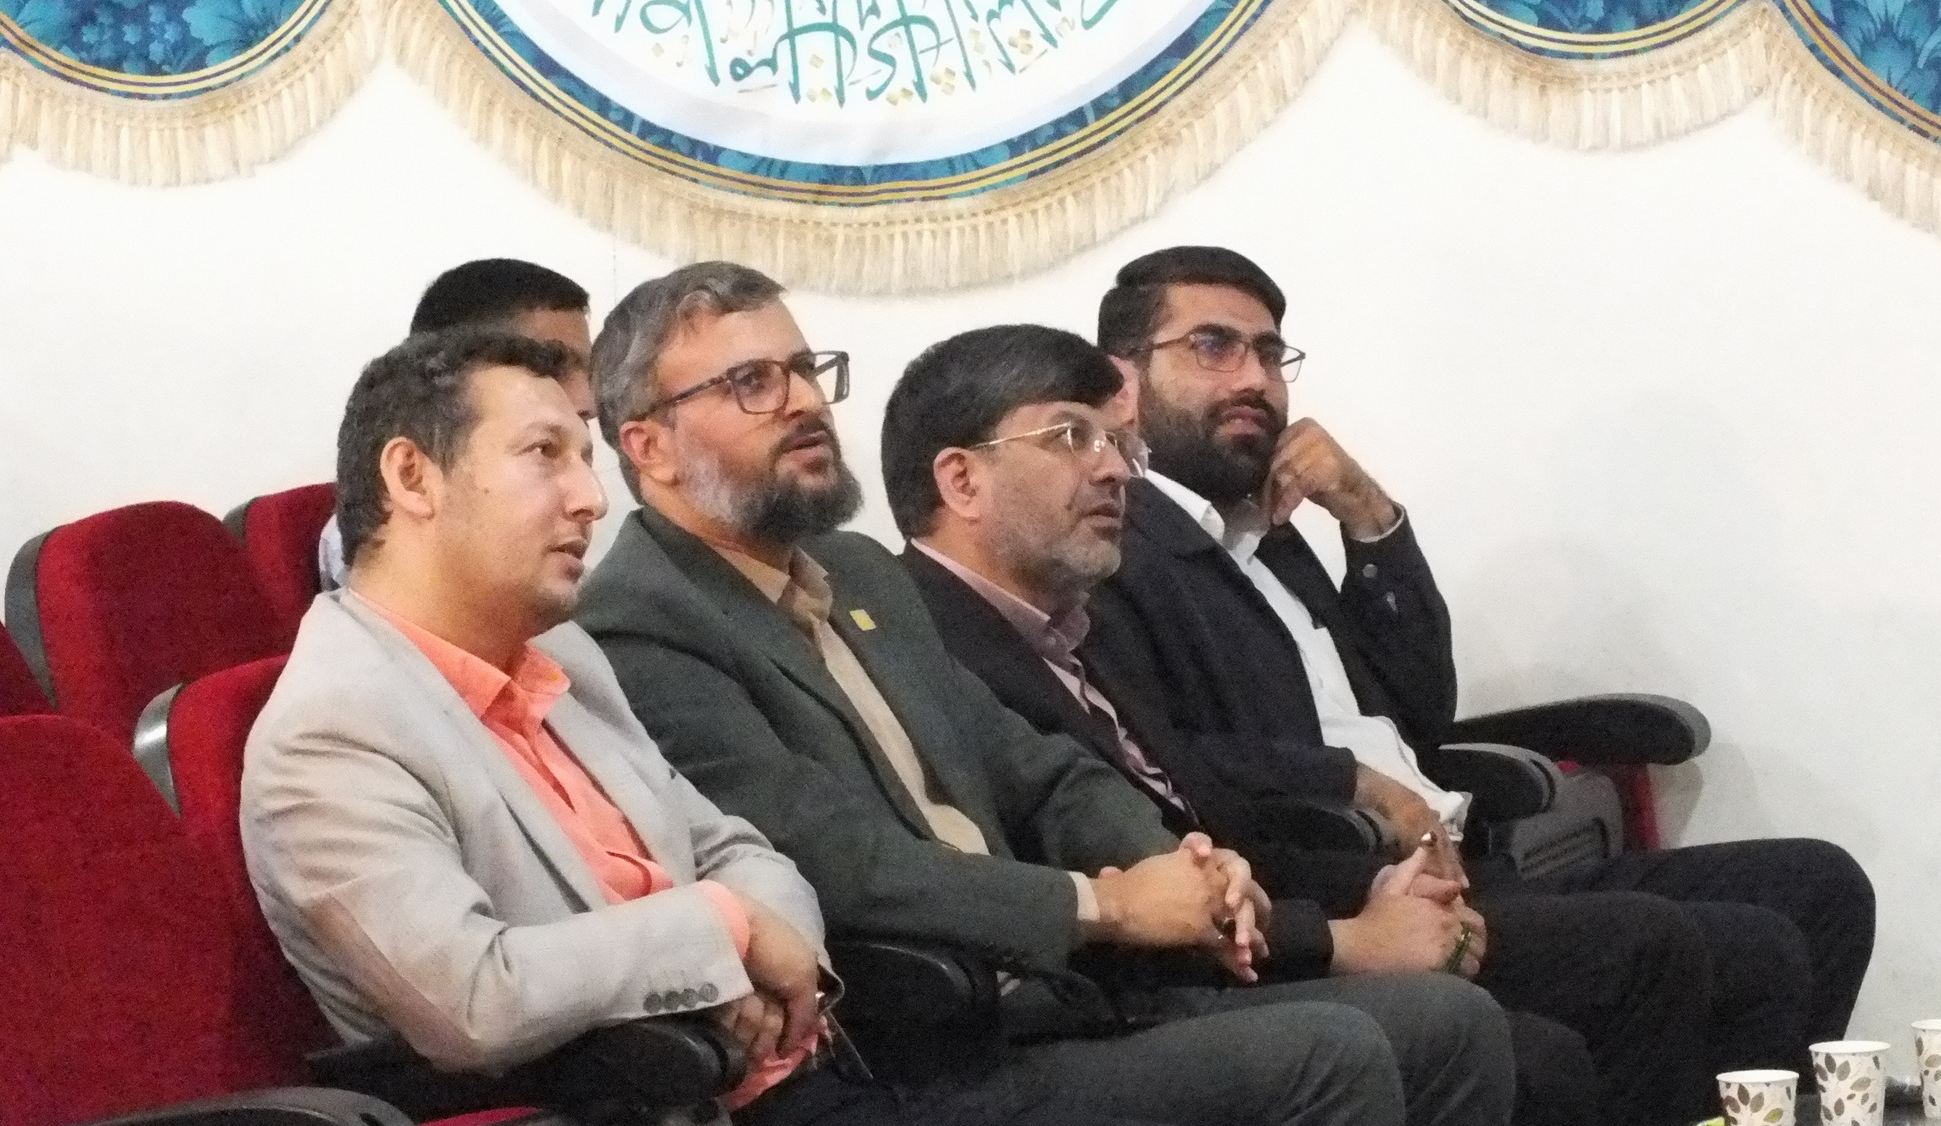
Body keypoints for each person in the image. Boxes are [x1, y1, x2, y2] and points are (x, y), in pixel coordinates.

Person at [573, 261, 1516, 1126]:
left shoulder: (856, 573)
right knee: (1330, 1055)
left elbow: (1039, 766)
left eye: (805, 370)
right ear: (649, 446)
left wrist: (1175, 865)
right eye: (751, 383)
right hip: (899, 1053)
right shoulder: (640, 623)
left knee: (1448, 1024)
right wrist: (1107, 905)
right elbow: (840, 860)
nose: (804, 402)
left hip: (1036, 999)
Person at [243, 329, 1164, 1126]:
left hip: (800, 1075)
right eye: (544, 454)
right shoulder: (333, 732)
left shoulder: (562, 657)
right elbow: (475, 997)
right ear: (412, 476)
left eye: (585, 459)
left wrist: (758, 945)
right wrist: (722, 931)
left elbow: (733, 844)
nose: (590, 498)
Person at [1085, 245, 1878, 1126]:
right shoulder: (1121, 548)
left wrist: (1369, 515)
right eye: (1213, 346)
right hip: (1347, 881)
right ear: (1123, 383)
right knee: (1689, 946)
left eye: (1270, 354)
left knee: (1819, 887)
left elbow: (1421, 709)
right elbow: (1168, 757)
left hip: (1459, 855)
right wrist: (1359, 783)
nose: (1253, 379)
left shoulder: (1267, 529)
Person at [882, 322, 1598, 1126]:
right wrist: (1345, 938)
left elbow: (1216, 814)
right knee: (1491, 1036)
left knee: (1581, 997)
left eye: (1117, 443)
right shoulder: (920, 641)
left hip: (1239, 930)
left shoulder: (1082, 628)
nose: (1114, 469)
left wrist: (1380, 893)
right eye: (1072, 437)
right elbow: (1095, 892)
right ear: (962, 480)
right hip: (1109, 995)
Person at [317, 258, 595, 588]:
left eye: (589, 371)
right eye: (549, 365)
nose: (587, 401)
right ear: (411, 476)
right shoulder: (377, 581)